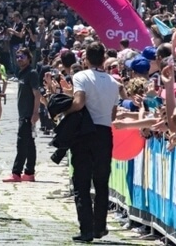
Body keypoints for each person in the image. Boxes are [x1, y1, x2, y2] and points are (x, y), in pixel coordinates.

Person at [65, 42, 120, 243]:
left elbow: (78, 103)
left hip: (84, 133)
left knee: (81, 182)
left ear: (86, 58)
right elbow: (113, 115)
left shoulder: (81, 76)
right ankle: (99, 226)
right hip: (104, 133)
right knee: (101, 182)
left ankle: (86, 229)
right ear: (104, 59)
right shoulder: (114, 83)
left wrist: (65, 111)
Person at [2, 48, 40, 182]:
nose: (19, 59)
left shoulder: (32, 73)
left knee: (22, 143)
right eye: (17, 57)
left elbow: (37, 95)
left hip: (28, 114)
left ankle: (16, 173)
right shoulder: (21, 73)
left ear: (29, 58)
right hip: (22, 113)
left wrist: (35, 113)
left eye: (22, 56)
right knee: (29, 143)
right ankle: (29, 173)